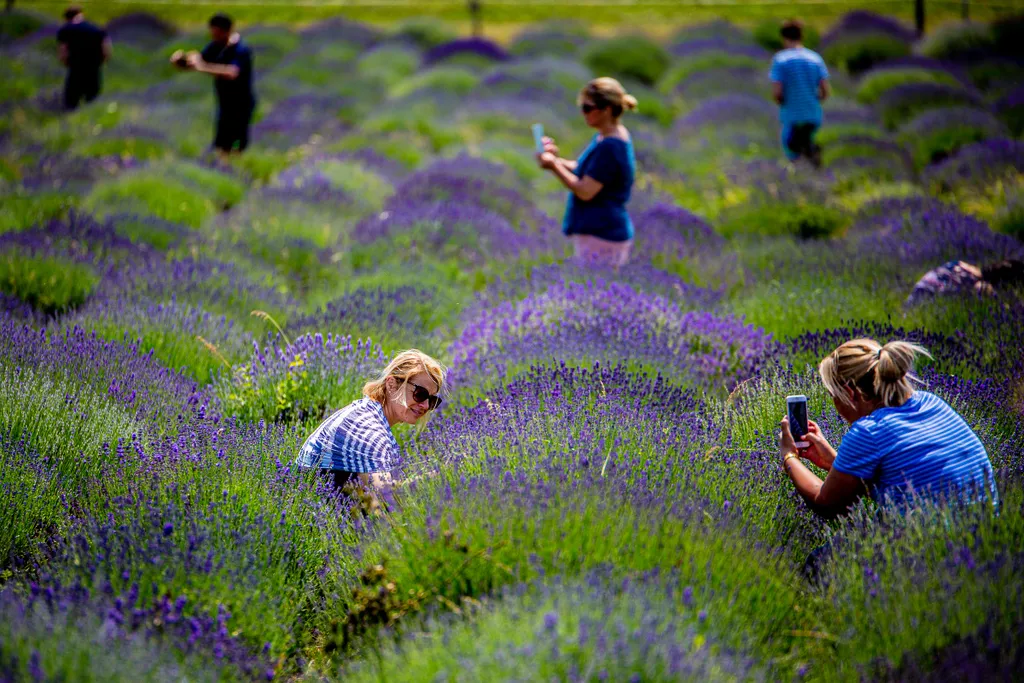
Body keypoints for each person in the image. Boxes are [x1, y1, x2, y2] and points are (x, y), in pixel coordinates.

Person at [778, 338, 996, 520]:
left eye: (833, 396)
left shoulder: (869, 431)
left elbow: (827, 504)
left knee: (818, 563)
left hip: (939, 547)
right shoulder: (932, 402)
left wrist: (789, 456)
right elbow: (902, 480)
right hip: (987, 534)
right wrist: (832, 462)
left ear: (850, 393)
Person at [295, 350, 446, 500]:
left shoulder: (367, 412)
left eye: (432, 400)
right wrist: (435, 480)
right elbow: (387, 499)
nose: (425, 405)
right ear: (391, 385)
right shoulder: (367, 428)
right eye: (420, 394)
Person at [537, 77, 637, 268]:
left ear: (606, 109)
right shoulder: (607, 136)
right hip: (602, 229)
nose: (584, 113)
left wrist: (553, 167)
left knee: (599, 288)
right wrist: (556, 160)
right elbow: (587, 171)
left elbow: (585, 191)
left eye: (587, 108)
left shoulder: (610, 146)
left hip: (602, 232)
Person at [170, 13, 256, 156]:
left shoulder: (241, 50)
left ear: (227, 31)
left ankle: (237, 163)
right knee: (222, 141)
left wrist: (201, 66)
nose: (214, 38)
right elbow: (199, 61)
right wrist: (181, 61)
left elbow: (232, 73)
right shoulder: (216, 46)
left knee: (237, 141)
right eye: (213, 34)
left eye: (217, 34)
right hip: (225, 103)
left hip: (241, 104)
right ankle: (225, 165)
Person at [770, 20, 830, 168]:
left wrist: (783, 102)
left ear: (783, 37)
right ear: (801, 36)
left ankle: (798, 183)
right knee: (811, 149)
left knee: (792, 153)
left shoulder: (781, 60)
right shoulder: (815, 59)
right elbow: (825, 91)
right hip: (812, 114)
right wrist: (813, 101)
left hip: (792, 115)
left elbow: (777, 92)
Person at [56, 5, 112, 111]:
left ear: (67, 18)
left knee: (71, 102)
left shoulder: (65, 29)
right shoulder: (96, 28)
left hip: (75, 68)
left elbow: (63, 52)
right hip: (94, 68)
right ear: (81, 14)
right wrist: (102, 61)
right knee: (92, 100)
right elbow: (107, 49)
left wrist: (65, 63)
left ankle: (71, 124)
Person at [905, 258, 1024, 307]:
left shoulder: (960, 264)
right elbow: (1003, 308)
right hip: (924, 303)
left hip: (913, 297)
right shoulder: (978, 285)